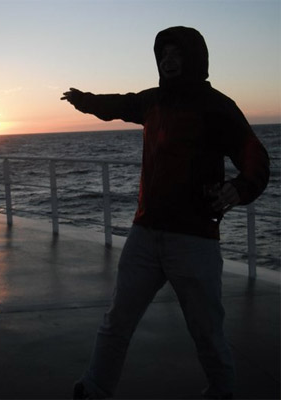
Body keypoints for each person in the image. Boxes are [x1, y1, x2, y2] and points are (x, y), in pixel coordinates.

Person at [61, 26, 269, 400]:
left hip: (194, 239)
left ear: (194, 59)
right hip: (145, 233)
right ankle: (94, 388)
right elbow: (119, 104)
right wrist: (85, 101)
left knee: (206, 330)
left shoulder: (217, 106)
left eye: (177, 54)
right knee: (117, 319)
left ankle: (222, 391)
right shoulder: (152, 102)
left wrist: (241, 188)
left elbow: (253, 153)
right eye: (163, 54)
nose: (168, 60)